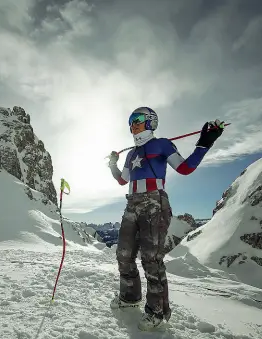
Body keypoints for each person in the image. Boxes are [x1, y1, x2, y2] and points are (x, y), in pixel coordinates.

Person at [107, 106, 224, 331]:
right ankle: (130, 298)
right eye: (131, 121)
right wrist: (112, 163)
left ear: (151, 121)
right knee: (124, 254)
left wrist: (204, 143)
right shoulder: (131, 153)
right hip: (132, 203)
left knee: (151, 259)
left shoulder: (161, 144)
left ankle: (157, 312)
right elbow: (123, 180)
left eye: (138, 119)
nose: (133, 124)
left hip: (154, 202)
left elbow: (185, 168)